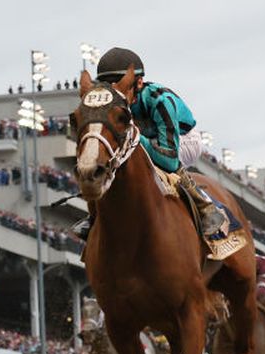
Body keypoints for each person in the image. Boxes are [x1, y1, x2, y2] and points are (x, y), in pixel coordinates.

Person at [77, 47, 231, 242]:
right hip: (147, 138)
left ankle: (205, 207)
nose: (115, 94)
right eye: (108, 87)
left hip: (184, 140)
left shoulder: (160, 100)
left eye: (120, 87)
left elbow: (168, 159)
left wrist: (135, 137)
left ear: (139, 82)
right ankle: (94, 217)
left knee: (160, 163)